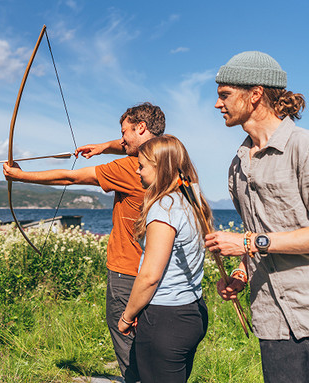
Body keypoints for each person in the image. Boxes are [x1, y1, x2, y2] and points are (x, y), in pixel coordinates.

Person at [3, 102, 165, 383]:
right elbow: (131, 144)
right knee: (152, 343)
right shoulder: (173, 158)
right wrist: (104, 146)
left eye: (124, 132)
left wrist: (21, 176)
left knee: (127, 342)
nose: (122, 139)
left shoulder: (131, 168)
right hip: (159, 271)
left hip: (126, 271)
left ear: (141, 128)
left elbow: (71, 176)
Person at [204, 51, 309, 382]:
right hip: (272, 319)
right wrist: (240, 273)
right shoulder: (237, 166)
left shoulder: (302, 148)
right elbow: (257, 234)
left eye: (224, 95)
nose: (217, 104)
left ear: (255, 94)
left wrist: (248, 242)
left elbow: (253, 238)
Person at [117, 135, 210, 383]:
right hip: (192, 311)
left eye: (142, 166)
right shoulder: (191, 198)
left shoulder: (164, 207)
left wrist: (127, 317)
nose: (137, 172)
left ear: (161, 167)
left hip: (165, 319)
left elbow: (150, 276)